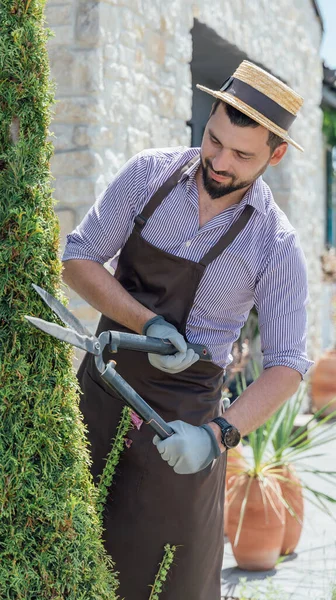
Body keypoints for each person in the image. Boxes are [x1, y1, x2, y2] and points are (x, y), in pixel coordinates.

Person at [62, 60, 313, 600]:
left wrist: (215, 436)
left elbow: (290, 364)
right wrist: (146, 322)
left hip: (184, 423)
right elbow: (78, 259)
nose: (219, 162)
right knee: (68, 561)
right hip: (100, 396)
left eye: (242, 154)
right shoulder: (147, 175)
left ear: (276, 154)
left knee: (171, 580)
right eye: (213, 139)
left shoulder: (276, 245)